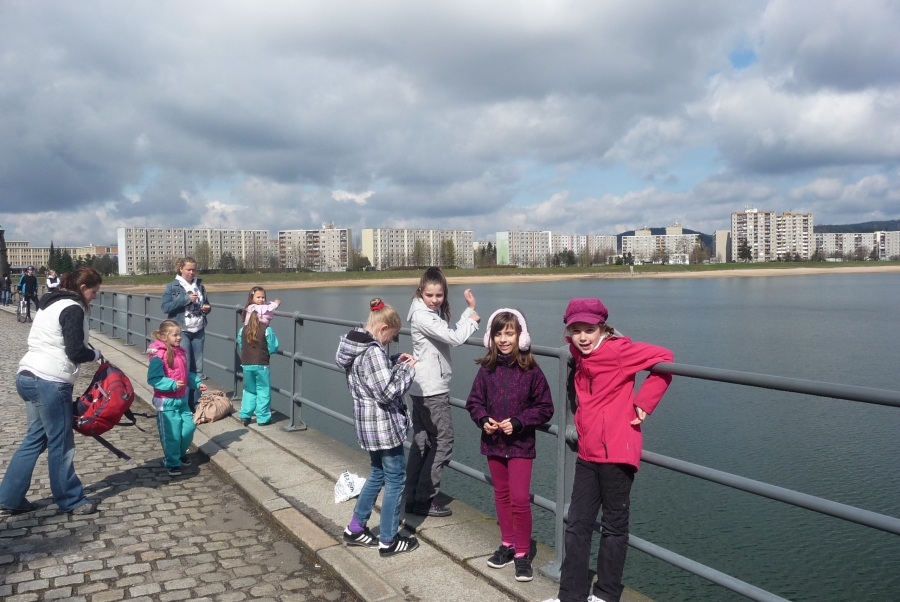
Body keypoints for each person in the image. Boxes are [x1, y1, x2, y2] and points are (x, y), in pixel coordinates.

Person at [543, 298, 674, 602]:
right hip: (588, 453)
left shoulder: (618, 352)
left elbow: (665, 358)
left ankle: (605, 595)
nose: (583, 337)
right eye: (576, 330)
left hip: (617, 452)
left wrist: (644, 402)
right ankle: (570, 596)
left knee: (614, 527)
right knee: (577, 523)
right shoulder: (578, 353)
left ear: (603, 328)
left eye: (589, 329)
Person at [0, 267, 104, 516]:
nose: (95, 297)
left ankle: (9, 498)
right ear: (82, 288)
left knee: (35, 438)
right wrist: (96, 354)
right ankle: (71, 500)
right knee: (61, 443)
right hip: (50, 381)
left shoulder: (49, 303)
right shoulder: (73, 308)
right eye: (93, 292)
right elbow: (75, 351)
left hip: (27, 374)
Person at [466, 309, 554, 583]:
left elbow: (545, 407)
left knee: (519, 498)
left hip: (520, 445)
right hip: (493, 443)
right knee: (502, 495)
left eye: (510, 333)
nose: (504, 339)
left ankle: (523, 553)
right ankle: (508, 544)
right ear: (490, 338)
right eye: (498, 334)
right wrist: (483, 420)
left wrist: (519, 422)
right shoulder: (486, 370)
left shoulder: (532, 371)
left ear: (521, 337)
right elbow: (474, 402)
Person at [335, 298, 420, 557]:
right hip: (383, 426)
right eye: (392, 336)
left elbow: (369, 375)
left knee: (377, 473)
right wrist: (407, 371)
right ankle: (388, 540)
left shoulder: (357, 345)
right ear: (383, 328)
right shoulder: (372, 352)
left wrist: (393, 360)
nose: (391, 341)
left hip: (368, 425)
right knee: (396, 478)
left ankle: (355, 528)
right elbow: (386, 391)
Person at [404, 267, 480, 518]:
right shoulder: (424, 317)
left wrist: (468, 310)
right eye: (430, 295)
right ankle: (424, 498)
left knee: (422, 443)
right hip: (432, 389)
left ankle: (412, 495)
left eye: (439, 295)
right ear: (421, 292)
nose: (435, 300)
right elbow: (455, 338)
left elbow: (447, 333)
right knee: (443, 441)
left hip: (421, 387)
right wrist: (472, 319)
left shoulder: (424, 312)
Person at [147, 320, 206, 477]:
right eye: (175, 335)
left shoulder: (181, 352)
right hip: (166, 402)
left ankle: (180, 453)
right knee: (171, 436)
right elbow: (153, 378)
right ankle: (172, 462)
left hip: (181, 400)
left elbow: (186, 375)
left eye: (180, 334)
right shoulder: (158, 356)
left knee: (189, 428)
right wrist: (172, 384)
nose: (179, 337)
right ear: (164, 337)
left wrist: (197, 383)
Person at [161, 257, 211, 411]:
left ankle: (196, 404)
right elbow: (165, 307)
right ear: (181, 269)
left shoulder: (200, 286)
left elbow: (206, 304)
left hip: (199, 330)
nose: (191, 272)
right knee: (184, 368)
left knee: (198, 369)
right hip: (181, 332)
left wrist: (206, 308)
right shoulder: (172, 286)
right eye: (189, 269)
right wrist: (186, 299)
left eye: (194, 269)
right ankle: (184, 404)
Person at [238, 287, 280, 427]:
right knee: (263, 390)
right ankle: (263, 418)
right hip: (261, 364)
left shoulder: (242, 330)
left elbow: (240, 344)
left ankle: (245, 415)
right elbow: (273, 347)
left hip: (246, 363)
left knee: (249, 390)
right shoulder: (267, 330)